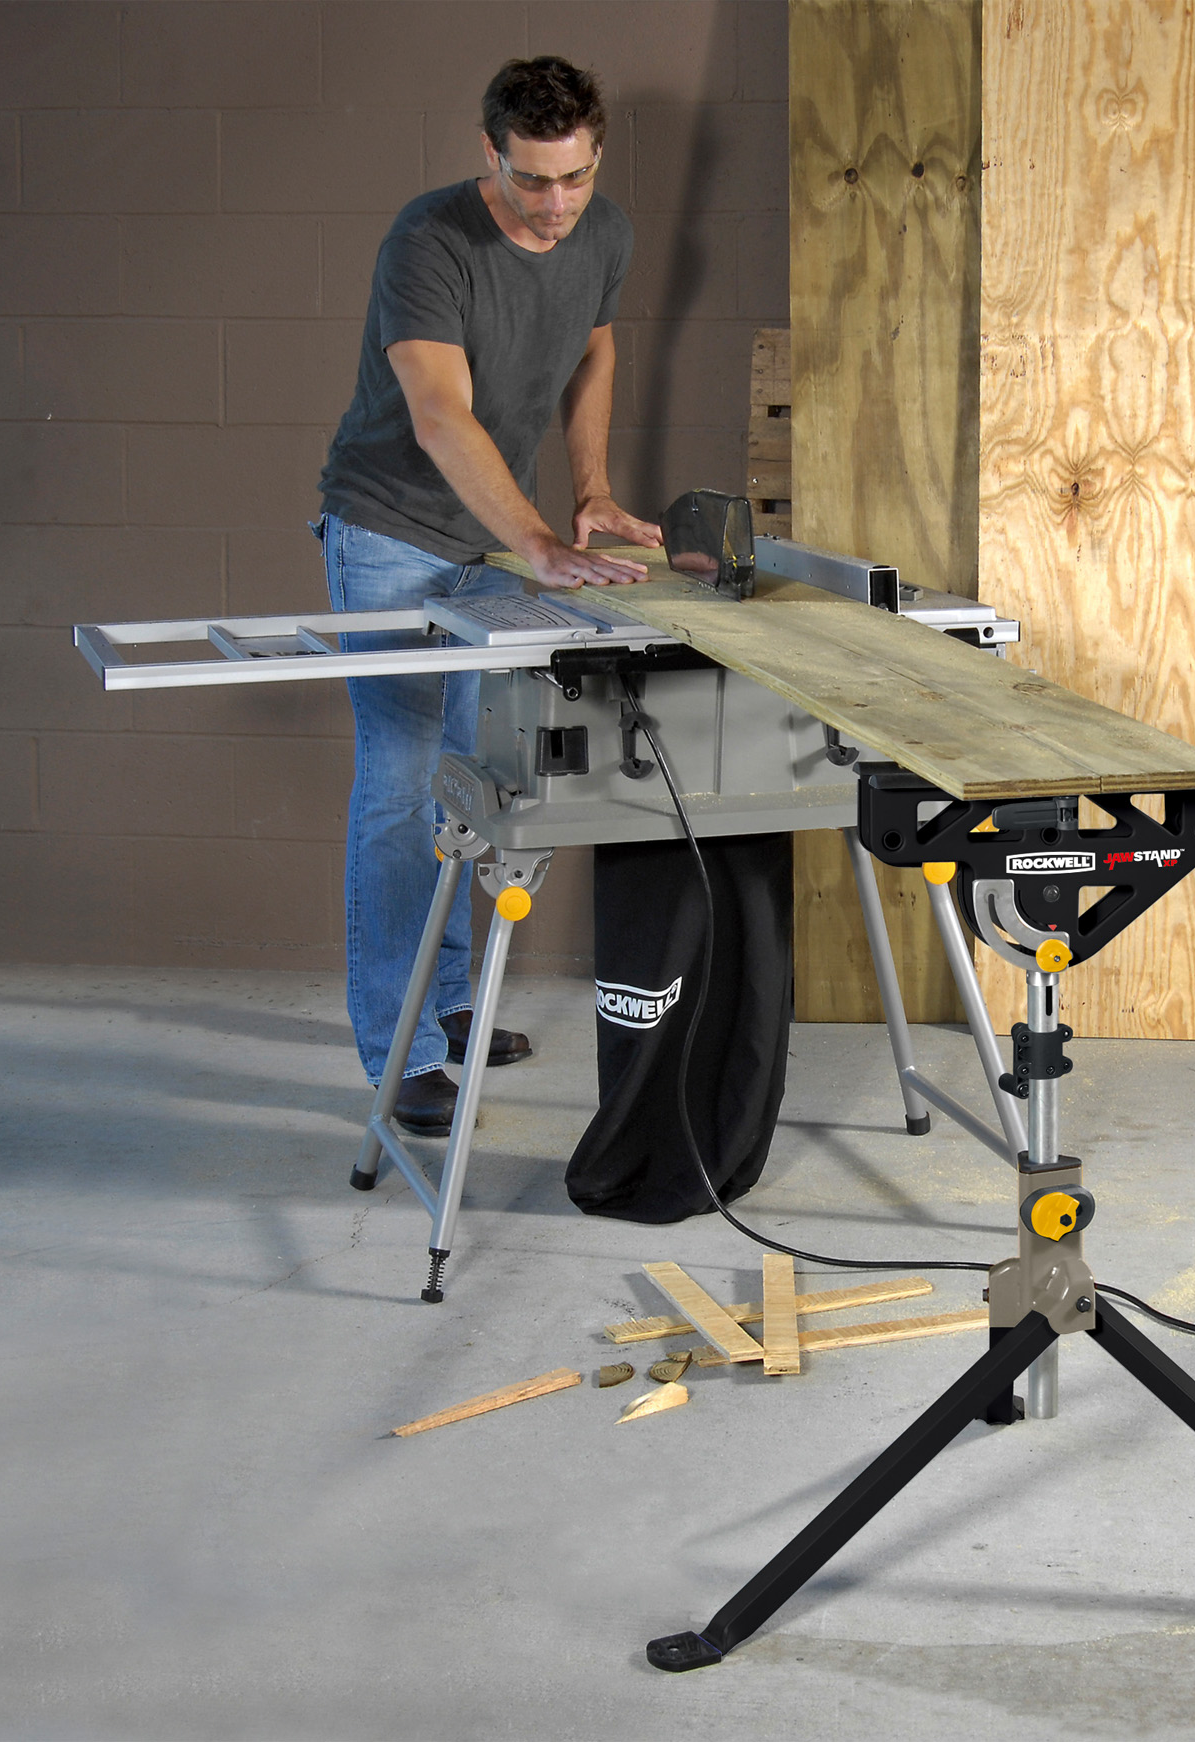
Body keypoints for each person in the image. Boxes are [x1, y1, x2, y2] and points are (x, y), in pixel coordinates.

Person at [315, 55, 660, 1134]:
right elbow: (438, 414)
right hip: (390, 532)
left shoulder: (602, 232)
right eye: (531, 180)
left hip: (494, 541)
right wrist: (539, 542)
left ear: (596, 156)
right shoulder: (429, 242)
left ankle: (453, 1003)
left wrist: (590, 491)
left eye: (575, 177)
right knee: (401, 785)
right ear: (490, 153)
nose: (556, 205)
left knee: (468, 786)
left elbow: (595, 355)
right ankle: (404, 1050)